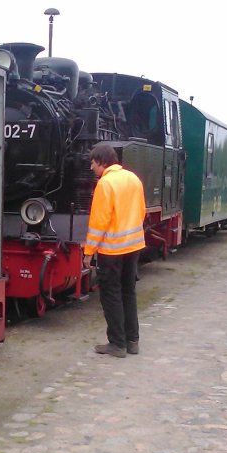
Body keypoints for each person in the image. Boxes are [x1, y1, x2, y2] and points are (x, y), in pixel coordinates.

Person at [82, 142, 146, 358]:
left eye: (92, 163)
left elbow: (99, 221)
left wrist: (89, 251)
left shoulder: (105, 184)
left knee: (111, 294)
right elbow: (142, 211)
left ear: (101, 161)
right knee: (129, 291)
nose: (91, 168)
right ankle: (132, 341)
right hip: (134, 246)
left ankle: (117, 344)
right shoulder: (133, 179)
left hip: (112, 250)